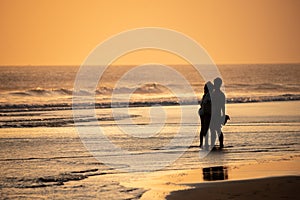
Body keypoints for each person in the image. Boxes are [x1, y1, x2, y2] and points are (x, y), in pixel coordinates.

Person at [211, 77, 226, 148]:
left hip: (216, 114)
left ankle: (220, 144)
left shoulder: (217, 94)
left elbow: (223, 106)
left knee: (217, 130)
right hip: (213, 114)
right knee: (213, 130)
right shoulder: (216, 94)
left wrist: (223, 115)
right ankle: (215, 144)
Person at [199, 81, 213, 149]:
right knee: (205, 129)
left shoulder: (207, 96)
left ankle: (203, 143)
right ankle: (204, 143)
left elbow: (205, 105)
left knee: (204, 129)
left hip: (205, 114)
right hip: (205, 114)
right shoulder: (207, 95)